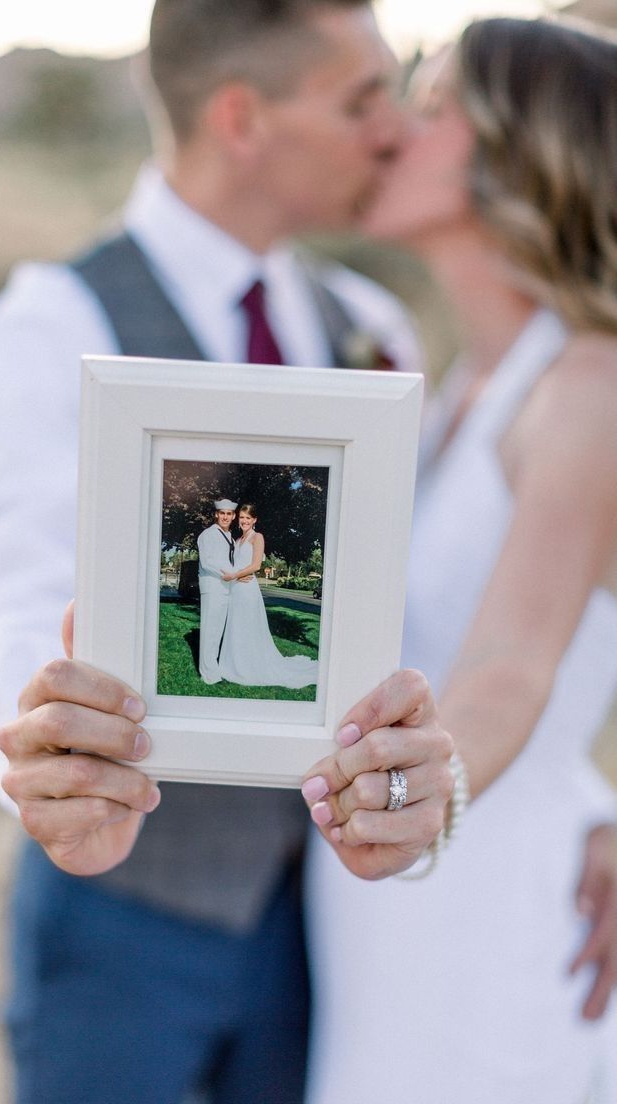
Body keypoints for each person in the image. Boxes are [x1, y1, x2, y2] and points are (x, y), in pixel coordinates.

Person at [0, 3, 447, 1103]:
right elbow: (15, 583)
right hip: (123, 918)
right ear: (242, 118)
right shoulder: (52, 318)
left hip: (317, 921)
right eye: (361, 98)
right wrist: (46, 746)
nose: (391, 129)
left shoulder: (368, 327)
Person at [300, 17, 617, 1102]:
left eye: (427, 110)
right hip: (385, 909)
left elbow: (512, 662)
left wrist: (430, 789)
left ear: (514, 156)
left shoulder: (587, 385)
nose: (388, 131)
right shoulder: (457, 385)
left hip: (486, 902)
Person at [218, 502, 319, 688]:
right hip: (236, 589)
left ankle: (250, 666)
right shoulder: (237, 540)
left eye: (248, 518)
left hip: (248, 590)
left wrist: (235, 575)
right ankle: (235, 663)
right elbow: (234, 565)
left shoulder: (258, 538)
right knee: (236, 626)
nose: (244, 521)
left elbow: (256, 565)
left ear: (254, 520)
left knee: (248, 627)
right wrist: (234, 577)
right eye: (241, 517)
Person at [196, 498, 237, 683]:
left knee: (218, 630)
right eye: (222, 513)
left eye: (229, 514)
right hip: (213, 587)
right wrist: (228, 574)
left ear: (233, 516)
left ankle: (214, 666)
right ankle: (208, 672)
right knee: (210, 630)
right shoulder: (208, 534)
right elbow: (207, 562)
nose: (225, 517)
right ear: (216, 514)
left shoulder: (229, 537)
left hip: (226, 587)